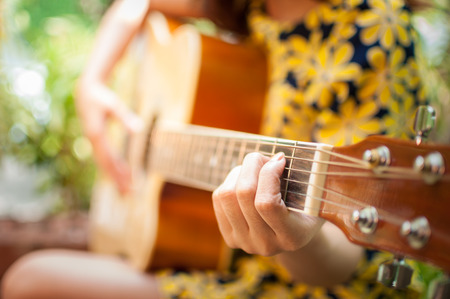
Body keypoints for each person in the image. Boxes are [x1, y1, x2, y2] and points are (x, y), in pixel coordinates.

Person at [1, 0, 428, 298]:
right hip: (223, 256)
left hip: (301, 283)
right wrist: (91, 83)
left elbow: (345, 259)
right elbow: (135, 3)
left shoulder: (375, 28)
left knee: (29, 282)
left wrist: (296, 241)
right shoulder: (244, 4)